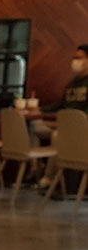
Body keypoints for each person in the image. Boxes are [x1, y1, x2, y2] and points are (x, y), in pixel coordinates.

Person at [37, 44, 88, 190]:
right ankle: (34, 168)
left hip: (81, 128)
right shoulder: (72, 83)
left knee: (57, 136)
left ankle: (49, 177)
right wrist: (39, 109)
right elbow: (60, 103)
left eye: (79, 58)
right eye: (74, 57)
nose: (75, 61)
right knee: (34, 126)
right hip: (64, 124)